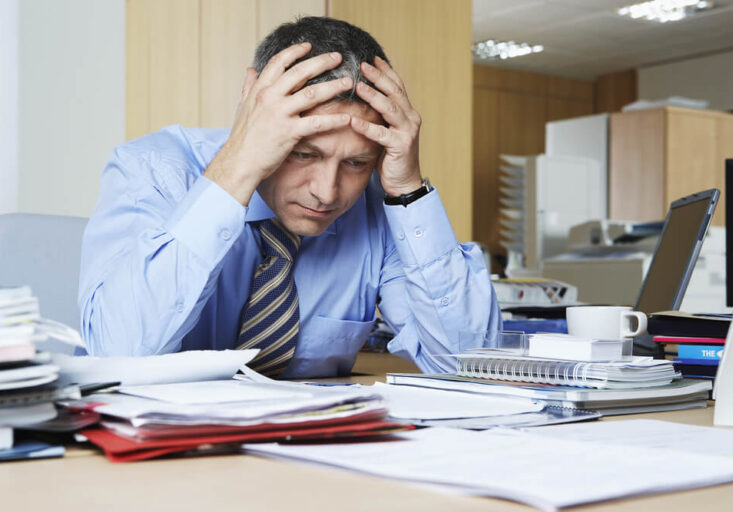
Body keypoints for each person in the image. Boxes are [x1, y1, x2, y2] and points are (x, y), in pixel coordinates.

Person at [78, 16, 501, 377]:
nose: (326, 191)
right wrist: (238, 168)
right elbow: (118, 356)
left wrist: (409, 190)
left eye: (356, 163)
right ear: (253, 104)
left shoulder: (378, 204)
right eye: (303, 153)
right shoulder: (151, 170)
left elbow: (469, 362)